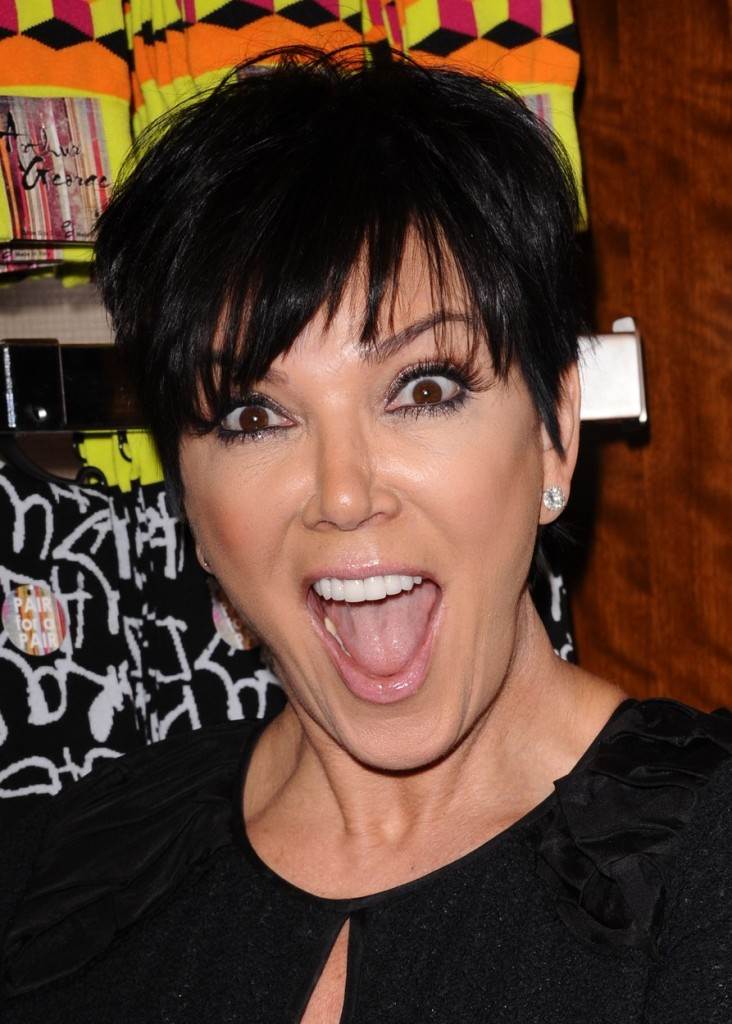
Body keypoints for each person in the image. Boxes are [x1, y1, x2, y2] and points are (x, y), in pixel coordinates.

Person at [1, 46, 731, 1024]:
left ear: (555, 434)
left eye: (422, 390)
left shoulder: (707, 869)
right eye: (255, 416)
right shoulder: (57, 881)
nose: (343, 494)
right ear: (190, 507)